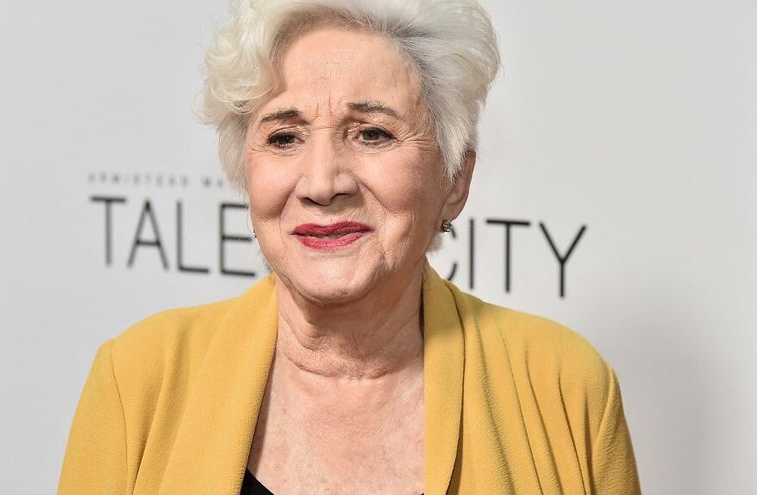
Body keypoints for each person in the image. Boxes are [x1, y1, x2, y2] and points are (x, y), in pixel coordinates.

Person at [58, 0, 641, 493]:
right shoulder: (139, 381)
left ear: (454, 180)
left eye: (372, 133)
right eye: (283, 137)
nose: (321, 183)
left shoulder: (566, 388)